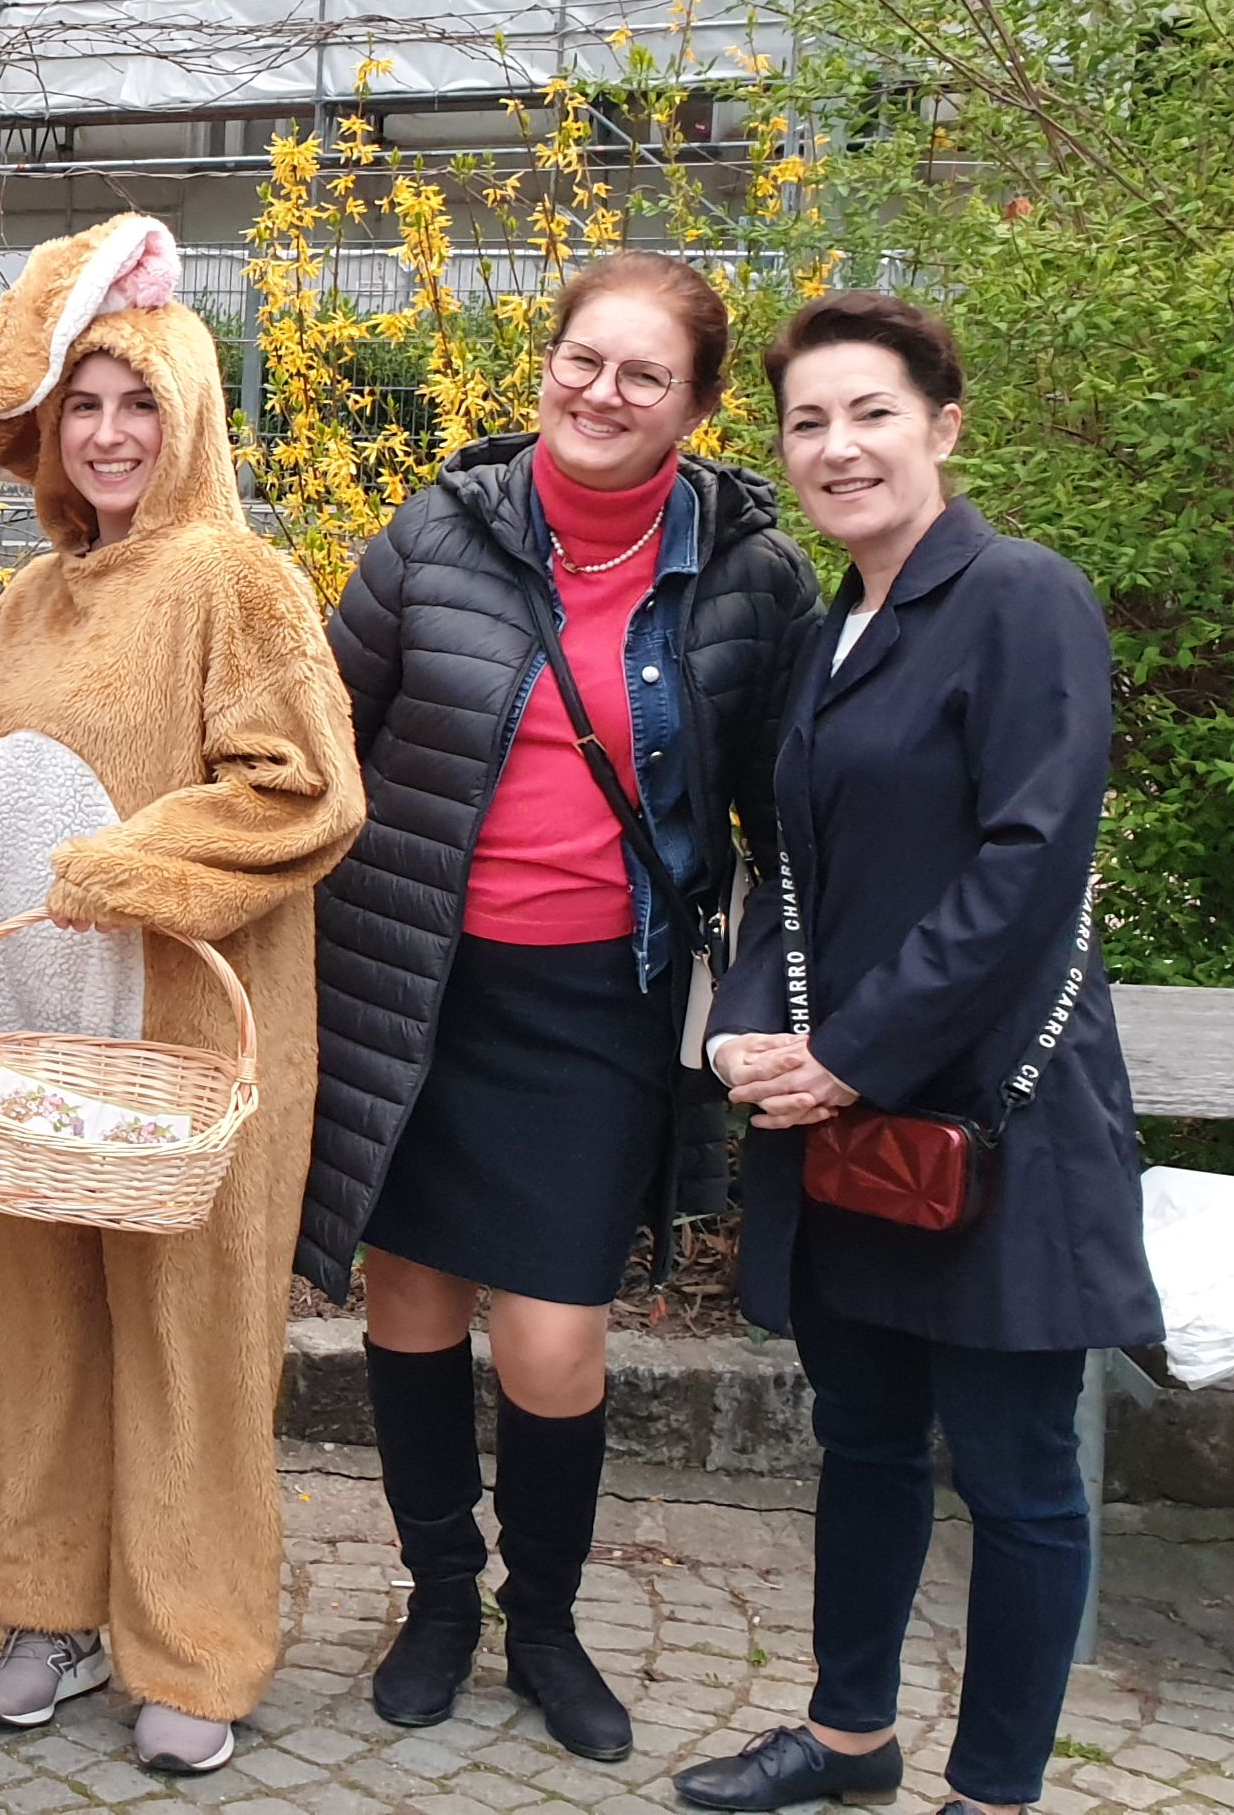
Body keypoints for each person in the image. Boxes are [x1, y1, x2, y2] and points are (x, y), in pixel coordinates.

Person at [311, 252, 820, 1761]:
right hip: (417, 982)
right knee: (405, 1301)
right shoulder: (435, 535)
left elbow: (781, 820)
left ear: (697, 407)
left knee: (551, 1338)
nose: (602, 393)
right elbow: (327, 744)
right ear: (545, 363)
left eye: (643, 375)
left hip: (601, 1003)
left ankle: (545, 1622)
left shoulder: (749, 576)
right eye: (581, 360)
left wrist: (787, 998)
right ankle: (440, 1602)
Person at [674, 293, 1156, 1815]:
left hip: (993, 1127)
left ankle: (996, 1790)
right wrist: (758, 1025)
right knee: (867, 1443)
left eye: (870, 412)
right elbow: (795, 868)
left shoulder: (1023, 600)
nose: (838, 447)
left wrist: (854, 1056)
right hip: (850, 1127)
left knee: (1018, 1482)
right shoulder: (831, 635)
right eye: (808, 421)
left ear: (942, 428)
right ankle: (848, 1739)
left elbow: (1027, 867)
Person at [0, 215, 364, 1772]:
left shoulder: (243, 581)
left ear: (190, 419)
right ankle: (47, 1608)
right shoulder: (26, 601)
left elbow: (300, 792)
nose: (106, 435)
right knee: (35, 1329)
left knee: (192, 1341)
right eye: (82, 405)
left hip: (186, 1046)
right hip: (32, 1040)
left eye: (137, 404)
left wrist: (134, 867)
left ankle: (197, 1652)